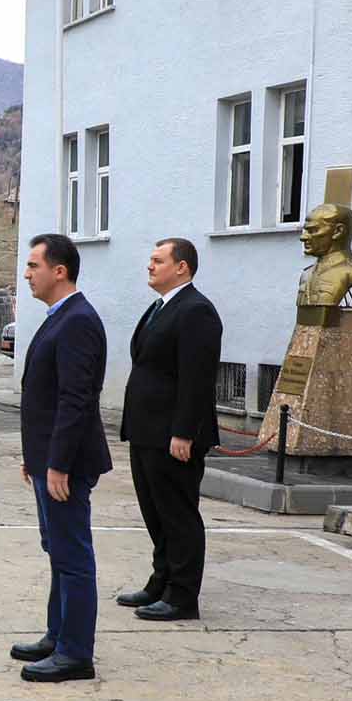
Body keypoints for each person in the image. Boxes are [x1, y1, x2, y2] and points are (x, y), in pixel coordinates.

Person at [13, 233, 110, 684]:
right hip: (47, 459)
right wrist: (35, 457)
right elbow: (45, 397)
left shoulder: (77, 321)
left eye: (34, 266)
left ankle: (75, 653)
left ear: (60, 270)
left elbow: (75, 399)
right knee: (57, 551)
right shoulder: (60, 317)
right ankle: (58, 634)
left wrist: (58, 463)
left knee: (72, 555)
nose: (27, 274)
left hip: (65, 464)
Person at [118, 237, 222, 622]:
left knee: (178, 514)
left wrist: (184, 432)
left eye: (158, 260)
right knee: (155, 511)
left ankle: (182, 595)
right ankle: (161, 580)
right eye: (150, 259)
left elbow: (197, 379)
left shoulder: (196, 311)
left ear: (182, 267)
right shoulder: (161, 307)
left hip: (173, 435)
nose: (150, 266)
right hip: (147, 430)